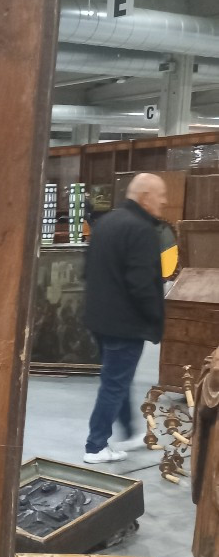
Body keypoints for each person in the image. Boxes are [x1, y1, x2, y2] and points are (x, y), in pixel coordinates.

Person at [83, 172, 167, 464]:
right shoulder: (141, 230)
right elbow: (142, 283)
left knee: (119, 378)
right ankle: (95, 446)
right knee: (115, 383)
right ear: (144, 197)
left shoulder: (107, 222)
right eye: (160, 195)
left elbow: (87, 270)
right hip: (125, 323)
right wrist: (156, 319)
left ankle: (130, 433)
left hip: (100, 319)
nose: (164, 201)